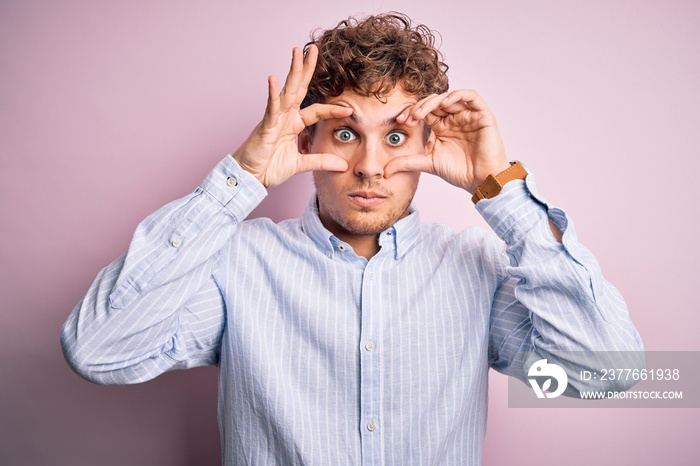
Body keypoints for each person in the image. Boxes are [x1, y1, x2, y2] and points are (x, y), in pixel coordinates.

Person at [61, 12, 643, 465]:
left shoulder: (479, 269)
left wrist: (503, 193)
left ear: (430, 144)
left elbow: (611, 376)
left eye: (395, 138)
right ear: (306, 135)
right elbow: (98, 351)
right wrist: (240, 179)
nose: (368, 166)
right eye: (344, 132)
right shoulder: (235, 261)